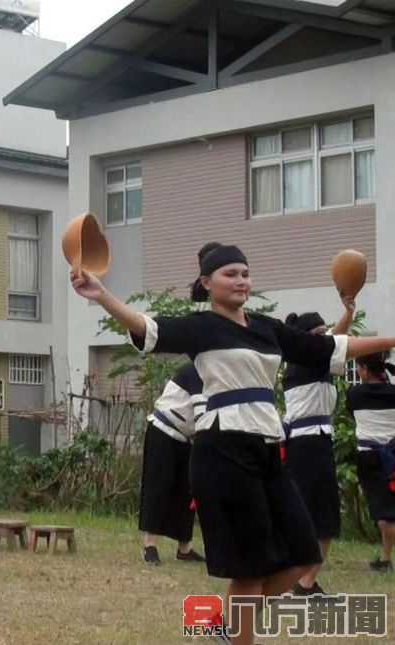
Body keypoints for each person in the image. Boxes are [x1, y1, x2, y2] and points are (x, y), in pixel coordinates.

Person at [70, 242, 395, 645]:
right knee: (250, 569)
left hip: (267, 450)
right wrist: (102, 295)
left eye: (245, 273)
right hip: (222, 451)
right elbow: (146, 327)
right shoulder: (202, 327)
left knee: (304, 553)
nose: (241, 281)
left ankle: (226, 629)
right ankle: (235, 636)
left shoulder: (265, 327)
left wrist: (391, 339)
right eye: (230, 274)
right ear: (207, 283)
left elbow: (329, 348)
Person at [282, 302, 354, 595]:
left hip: (308, 442)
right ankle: (305, 582)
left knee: (311, 513)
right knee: (322, 516)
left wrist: (348, 313)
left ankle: (300, 579)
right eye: (320, 334)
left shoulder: (305, 362)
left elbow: (336, 340)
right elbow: (339, 342)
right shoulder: (308, 361)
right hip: (310, 443)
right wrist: (347, 315)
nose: (326, 339)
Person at [139, 363, 206, 566]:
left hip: (187, 439)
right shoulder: (195, 370)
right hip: (163, 431)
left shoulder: (218, 378)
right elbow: (203, 414)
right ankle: (149, 545)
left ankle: (184, 548)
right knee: (158, 487)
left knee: (187, 491)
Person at [346, 351, 395, 574]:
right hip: (392, 454)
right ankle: (385, 558)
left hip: (370, 456)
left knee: (383, 512)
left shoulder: (355, 394)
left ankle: (385, 559)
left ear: (365, 369)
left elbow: (352, 415)